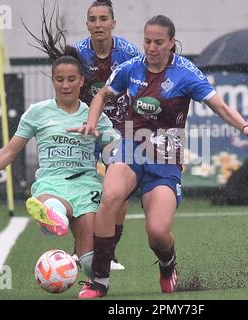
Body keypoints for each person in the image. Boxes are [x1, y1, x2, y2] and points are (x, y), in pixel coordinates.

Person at [68, 15, 248, 299]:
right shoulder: (130, 68)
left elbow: (219, 106)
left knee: (158, 233)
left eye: (159, 42)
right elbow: (101, 96)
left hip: (165, 159)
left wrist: (244, 125)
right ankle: (99, 280)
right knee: (110, 198)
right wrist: (91, 121)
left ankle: (167, 263)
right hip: (130, 148)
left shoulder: (186, 73)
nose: (151, 47)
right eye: (147, 40)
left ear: (172, 43)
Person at [0, 16, 120, 298]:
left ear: (81, 81)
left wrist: (125, 164)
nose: (65, 85)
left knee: (89, 262)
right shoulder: (38, 112)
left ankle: (91, 277)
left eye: (71, 80)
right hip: (52, 184)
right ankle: (52, 218)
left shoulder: (93, 115)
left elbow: (117, 152)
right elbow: (9, 151)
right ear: (52, 80)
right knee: (53, 205)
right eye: (59, 80)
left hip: (86, 186)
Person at [74, 0, 141, 271]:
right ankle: (81, 248)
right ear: (87, 24)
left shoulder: (129, 53)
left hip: (121, 127)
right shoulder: (77, 54)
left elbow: (142, 89)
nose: (98, 24)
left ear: (114, 23)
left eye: (104, 19)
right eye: (93, 19)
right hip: (85, 125)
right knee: (81, 189)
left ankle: (109, 250)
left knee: (118, 192)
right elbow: (66, 87)